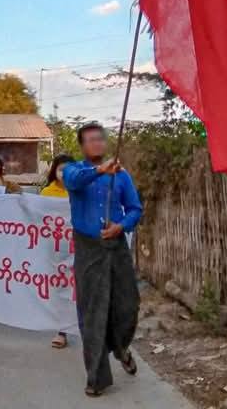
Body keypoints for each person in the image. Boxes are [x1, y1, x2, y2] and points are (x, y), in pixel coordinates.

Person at [63, 122, 143, 398]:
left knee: (127, 304)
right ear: (82, 146)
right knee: (93, 313)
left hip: (116, 245)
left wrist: (120, 226)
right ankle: (96, 377)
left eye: (100, 138)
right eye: (90, 140)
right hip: (88, 249)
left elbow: (135, 209)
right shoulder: (74, 170)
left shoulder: (122, 176)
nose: (96, 143)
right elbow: (72, 181)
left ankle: (121, 348)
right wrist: (99, 170)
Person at [40, 153, 74, 349]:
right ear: (55, 171)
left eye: (68, 169)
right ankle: (62, 331)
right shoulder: (47, 193)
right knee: (61, 289)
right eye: (61, 169)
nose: (64, 173)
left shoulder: (81, 191)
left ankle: (83, 328)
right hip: (55, 248)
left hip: (80, 245)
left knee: (79, 289)